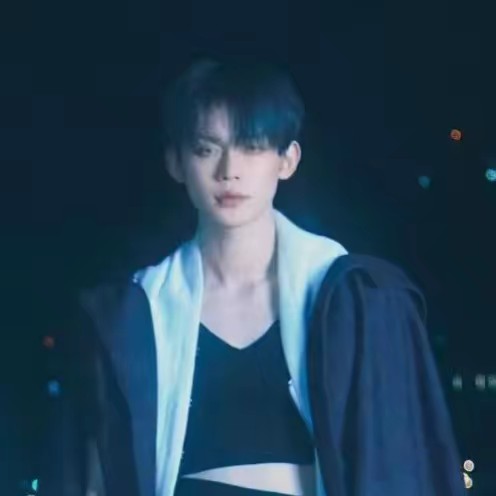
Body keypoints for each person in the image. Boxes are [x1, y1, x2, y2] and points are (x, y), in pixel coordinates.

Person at [39, 57, 466, 496]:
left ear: (287, 159)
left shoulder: (357, 300)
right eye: (206, 149)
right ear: (176, 163)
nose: (229, 170)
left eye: (252, 146)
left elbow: (402, 464)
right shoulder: (133, 313)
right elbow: (91, 477)